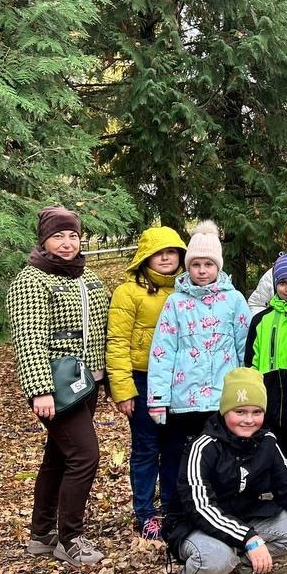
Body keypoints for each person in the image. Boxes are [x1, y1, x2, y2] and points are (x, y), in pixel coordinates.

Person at [164, 368, 287, 574]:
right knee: (217, 558)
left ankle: (241, 566)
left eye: (256, 412)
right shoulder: (203, 447)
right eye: (239, 411)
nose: (248, 420)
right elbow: (200, 507)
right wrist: (249, 539)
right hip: (194, 526)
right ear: (225, 410)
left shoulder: (267, 442)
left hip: (242, 515)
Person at [6, 206, 111, 567]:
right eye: (58, 236)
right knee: (84, 455)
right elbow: (28, 339)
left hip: (89, 382)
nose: (67, 243)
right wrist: (40, 390)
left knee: (58, 456)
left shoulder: (89, 278)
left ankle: (41, 534)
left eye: (72, 236)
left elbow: (103, 330)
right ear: (44, 240)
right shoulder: (31, 280)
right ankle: (71, 537)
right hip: (57, 385)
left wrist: (106, 376)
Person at [147, 221, 252, 489]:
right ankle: (178, 510)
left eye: (208, 264)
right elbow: (162, 352)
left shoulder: (234, 300)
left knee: (223, 457)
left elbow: (246, 349)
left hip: (223, 398)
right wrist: (158, 399)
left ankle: (222, 507)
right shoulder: (176, 303)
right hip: (184, 400)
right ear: (188, 266)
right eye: (196, 264)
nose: (202, 271)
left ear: (218, 266)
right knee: (181, 457)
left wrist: (248, 394)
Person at [106, 226, 187, 541]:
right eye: (159, 253)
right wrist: (122, 388)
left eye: (171, 252)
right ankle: (145, 512)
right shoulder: (129, 292)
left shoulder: (186, 288)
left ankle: (170, 507)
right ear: (145, 257)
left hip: (177, 380)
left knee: (174, 447)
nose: (165, 258)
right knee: (146, 448)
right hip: (142, 379)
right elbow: (117, 343)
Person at [244, 252, 287, 470]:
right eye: (283, 283)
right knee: (271, 446)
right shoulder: (261, 320)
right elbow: (250, 360)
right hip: (269, 391)